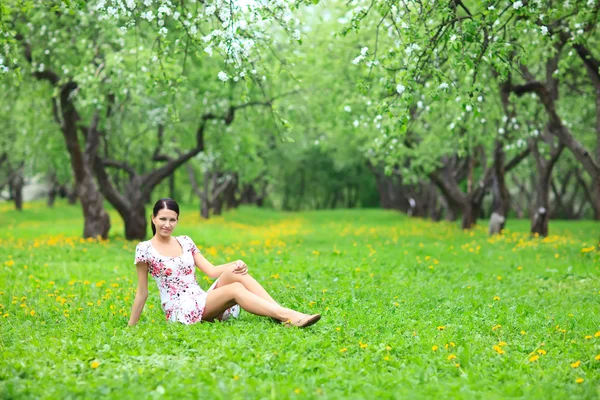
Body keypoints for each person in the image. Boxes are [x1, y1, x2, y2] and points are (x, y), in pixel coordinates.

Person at [128, 198, 321, 328]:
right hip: (180, 309)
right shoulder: (145, 249)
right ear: (153, 218)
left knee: (236, 274)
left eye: (172, 220)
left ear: (177, 220)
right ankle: (288, 316)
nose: (167, 224)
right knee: (235, 289)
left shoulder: (185, 241)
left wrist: (234, 264)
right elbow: (142, 292)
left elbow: (211, 271)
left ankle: (279, 314)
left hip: (199, 298)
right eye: (162, 219)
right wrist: (131, 327)